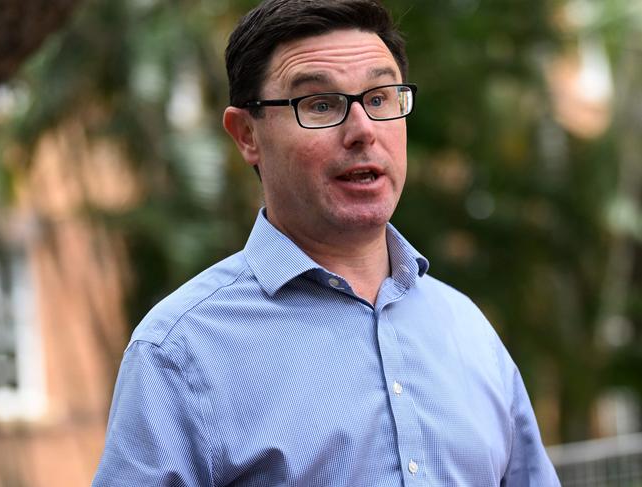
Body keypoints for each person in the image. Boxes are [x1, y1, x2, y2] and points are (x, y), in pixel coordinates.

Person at [93, 0, 561, 485]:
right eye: (320, 104)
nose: (362, 131)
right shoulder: (180, 354)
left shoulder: (466, 329)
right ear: (247, 134)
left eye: (380, 98)